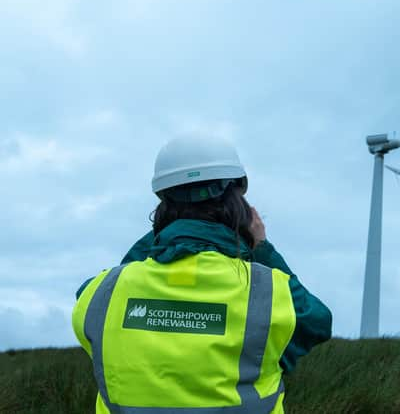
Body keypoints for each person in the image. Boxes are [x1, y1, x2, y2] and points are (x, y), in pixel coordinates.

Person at [72, 132, 332, 414]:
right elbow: (317, 322)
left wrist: (165, 234)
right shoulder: (269, 293)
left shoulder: (101, 295)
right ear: (239, 209)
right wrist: (262, 248)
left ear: (162, 207)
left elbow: (111, 287)